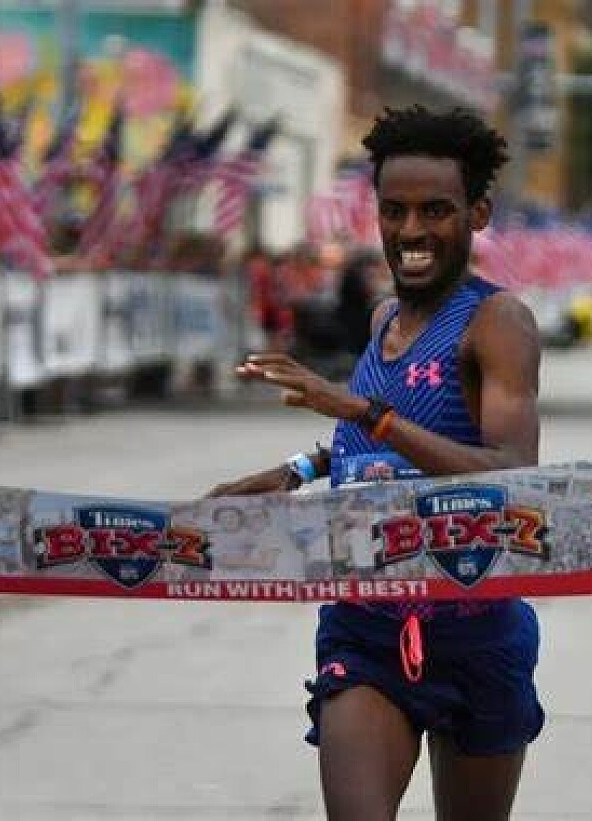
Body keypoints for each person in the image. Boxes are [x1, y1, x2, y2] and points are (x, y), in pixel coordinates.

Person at [207, 105, 545, 821]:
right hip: (366, 623)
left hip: (475, 624)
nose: (411, 231)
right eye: (394, 210)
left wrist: (364, 411)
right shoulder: (383, 318)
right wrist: (299, 469)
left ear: (478, 214)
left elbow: (511, 473)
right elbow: (381, 449)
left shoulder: (498, 323)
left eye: (436, 211)